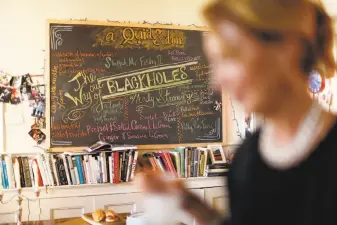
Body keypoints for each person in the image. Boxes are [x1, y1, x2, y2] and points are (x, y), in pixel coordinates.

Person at [139, 0, 337, 225]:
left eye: (230, 57)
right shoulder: (247, 157)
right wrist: (188, 203)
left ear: (287, 49)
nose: (216, 82)